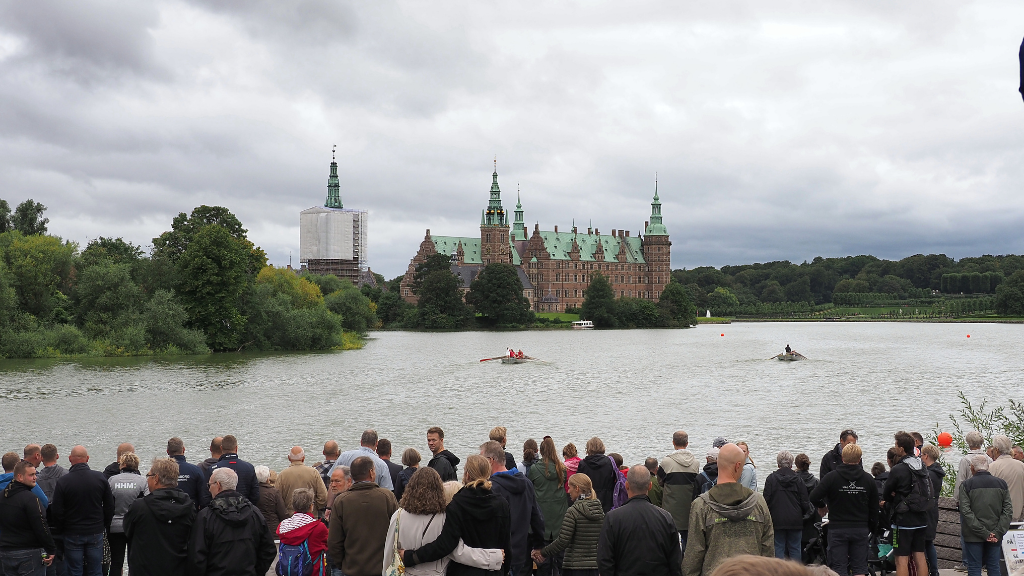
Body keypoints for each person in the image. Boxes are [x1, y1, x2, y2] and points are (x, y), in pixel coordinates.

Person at [400, 455, 511, 576]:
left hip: (464, 571)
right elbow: (506, 544)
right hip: (494, 571)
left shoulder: (457, 504)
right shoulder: (502, 504)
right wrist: (504, 569)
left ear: (467, 475)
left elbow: (445, 545)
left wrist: (411, 557)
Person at [683, 443, 774, 576]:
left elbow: (693, 556)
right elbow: (768, 549)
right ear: (738, 466)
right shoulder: (759, 502)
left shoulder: (701, 505)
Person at [188, 467, 276, 576]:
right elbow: (269, 549)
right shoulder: (254, 513)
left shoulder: (206, 516)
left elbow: (196, 556)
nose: (209, 489)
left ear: (218, 485)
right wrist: (256, 571)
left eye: (209, 485)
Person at [598, 465, 681, 576]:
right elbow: (675, 561)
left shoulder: (613, 518)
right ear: (650, 486)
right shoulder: (665, 518)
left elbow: (605, 560)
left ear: (627, 485)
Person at [809, 443, 878, 576]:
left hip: (838, 528)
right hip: (860, 528)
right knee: (860, 569)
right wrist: (872, 528)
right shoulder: (868, 479)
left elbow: (814, 496)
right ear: (859, 459)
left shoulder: (831, 477)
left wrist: (822, 506)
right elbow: (874, 508)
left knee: (838, 569)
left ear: (842, 458)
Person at [123, 458, 197, 576]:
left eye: (149, 476)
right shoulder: (189, 507)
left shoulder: (139, 507)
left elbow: (127, 531)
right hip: (178, 568)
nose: (147, 480)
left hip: (144, 568)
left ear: (156, 478)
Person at [327, 456, 397, 576]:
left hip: (351, 569)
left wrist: (343, 565)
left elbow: (334, 541)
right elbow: (397, 533)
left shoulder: (341, 501)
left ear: (352, 476)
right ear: (371, 472)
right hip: (381, 569)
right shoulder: (387, 497)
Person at [482, 440, 544, 576]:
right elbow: (537, 518)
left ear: (490, 460)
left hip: (499, 556)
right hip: (521, 554)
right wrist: (539, 545)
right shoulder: (526, 483)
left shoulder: (491, 488)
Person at [49, 446, 113, 576]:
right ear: (87, 459)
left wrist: (62, 528)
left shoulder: (63, 481)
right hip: (95, 530)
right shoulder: (100, 478)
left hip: (72, 532)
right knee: (95, 570)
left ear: (70, 459)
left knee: (74, 570)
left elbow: (57, 510)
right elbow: (109, 506)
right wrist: (103, 524)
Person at [535, 473, 604, 576]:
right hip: (595, 566)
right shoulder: (599, 511)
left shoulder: (573, 511)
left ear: (577, 488)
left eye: (570, 487)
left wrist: (543, 552)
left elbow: (563, 541)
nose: (568, 491)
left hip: (574, 566)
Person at [881, 432, 929, 576]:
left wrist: (893, 495)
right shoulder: (922, 465)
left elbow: (886, 494)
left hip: (903, 520)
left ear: (901, 449)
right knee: (920, 556)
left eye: (896, 445)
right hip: (921, 517)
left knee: (901, 559)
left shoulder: (898, 469)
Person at [959, 454, 1013, 576]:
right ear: (988, 467)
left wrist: (983, 532)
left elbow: (966, 511)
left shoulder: (967, 485)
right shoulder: (1002, 484)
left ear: (972, 468)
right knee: (994, 566)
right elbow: (1008, 510)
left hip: (973, 535)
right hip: (995, 533)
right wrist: (998, 532)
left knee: (974, 567)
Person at [0, 460, 56, 576]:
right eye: (31, 475)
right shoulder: (31, 498)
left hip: (5, 552)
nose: (35, 478)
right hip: (29, 552)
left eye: (35, 474)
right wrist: (51, 549)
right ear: (20, 477)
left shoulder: (2, 496)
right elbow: (41, 525)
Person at [527, 437, 568, 576]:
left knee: (542, 562)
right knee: (560, 561)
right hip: (559, 520)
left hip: (541, 520)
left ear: (541, 451)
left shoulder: (534, 469)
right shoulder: (562, 469)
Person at [657, 430, 700, 554]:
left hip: (671, 506)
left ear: (673, 443)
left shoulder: (666, 462)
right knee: (687, 539)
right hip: (688, 507)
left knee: (670, 539)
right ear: (687, 443)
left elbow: (660, 481)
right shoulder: (695, 463)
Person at [763, 451, 810, 561]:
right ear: (791, 464)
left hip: (777, 519)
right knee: (795, 548)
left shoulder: (771, 479)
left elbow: (766, 501)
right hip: (795, 519)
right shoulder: (798, 480)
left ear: (778, 464)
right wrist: (802, 515)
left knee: (778, 547)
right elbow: (805, 502)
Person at [108, 452, 147, 576]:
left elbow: (107, 504)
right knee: (134, 562)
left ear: (122, 465)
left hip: (115, 526)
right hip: (135, 527)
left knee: (116, 562)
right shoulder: (142, 481)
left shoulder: (112, 480)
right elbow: (147, 503)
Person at [277, 488, 329, 576]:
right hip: (312, 572)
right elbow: (328, 544)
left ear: (293, 505)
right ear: (311, 506)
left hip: (289, 572)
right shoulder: (318, 527)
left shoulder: (283, 526)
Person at [329, 430, 395, 491]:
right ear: (376, 444)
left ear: (361, 442)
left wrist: (329, 504)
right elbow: (387, 491)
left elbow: (332, 484)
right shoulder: (382, 465)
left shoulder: (344, 456)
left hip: (345, 501)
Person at [276, 446, 329, 516]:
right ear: (303, 458)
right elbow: (323, 496)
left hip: (290, 517)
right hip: (310, 516)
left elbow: (277, 498)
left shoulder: (282, 475)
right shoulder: (314, 473)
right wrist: (315, 508)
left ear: (289, 458)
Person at [207, 435, 259, 504]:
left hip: (219, 511)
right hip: (244, 510)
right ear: (236, 448)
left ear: (221, 448)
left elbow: (207, 495)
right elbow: (255, 495)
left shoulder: (213, 469)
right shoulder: (249, 467)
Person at [575, 437, 618, 513]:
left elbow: (578, 482)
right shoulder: (609, 462)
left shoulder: (583, 464)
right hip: (607, 498)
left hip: (589, 498)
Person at [920, 444, 944, 576]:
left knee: (924, 543)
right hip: (933, 509)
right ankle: (934, 570)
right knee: (929, 542)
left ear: (926, 456)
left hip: (926, 511)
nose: (920, 457)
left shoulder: (928, 474)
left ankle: (928, 570)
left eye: (921, 455)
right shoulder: (937, 473)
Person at [166, 437, 210, 509]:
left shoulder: (160, 471)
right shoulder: (195, 470)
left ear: (168, 451)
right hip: (191, 513)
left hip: (166, 513)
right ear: (183, 449)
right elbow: (203, 497)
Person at [988, 434, 1024, 522]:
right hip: (1018, 514)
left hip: (998, 516)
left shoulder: (992, 467)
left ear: (996, 450)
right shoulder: (1021, 466)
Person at [794, 453, 820, 564]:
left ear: (796, 464)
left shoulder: (793, 481)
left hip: (797, 519)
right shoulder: (815, 481)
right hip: (812, 521)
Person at [253, 466, 287, 534]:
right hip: (273, 529)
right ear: (268, 479)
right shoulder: (274, 492)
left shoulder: (251, 492)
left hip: (255, 529)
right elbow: (282, 513)